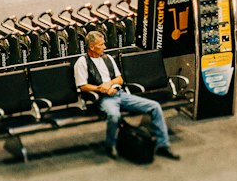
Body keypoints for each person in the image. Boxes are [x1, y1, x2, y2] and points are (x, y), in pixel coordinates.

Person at [73, 29, 178, 161]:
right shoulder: (81, 63)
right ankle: (110, 145)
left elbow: (120, 79)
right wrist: (102, 89)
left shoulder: (108, 58)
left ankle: (163, 145)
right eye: (101, 45)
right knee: (114, 115)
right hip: (103, 98)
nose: (104, 47)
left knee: (154, 106)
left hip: (120, 94)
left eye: (104, 43)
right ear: (91, 47)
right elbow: (82, 86)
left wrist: (109, 84)